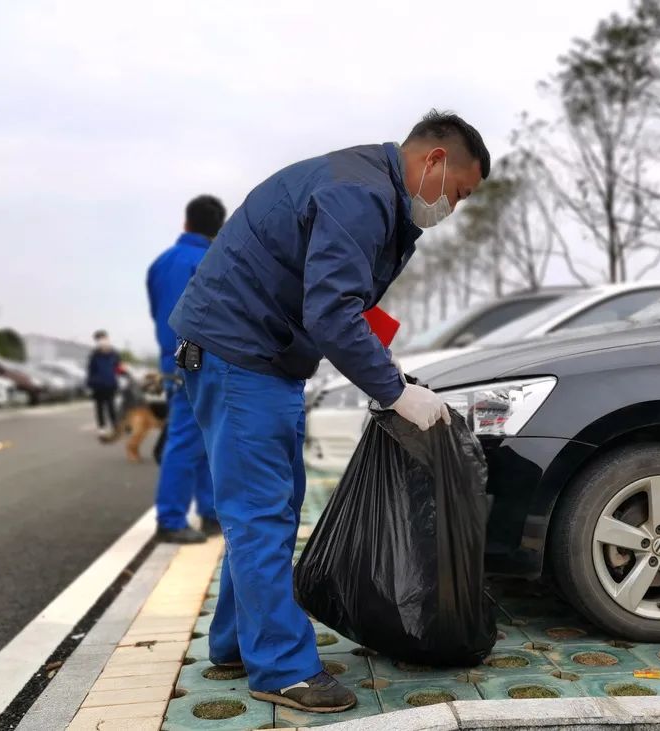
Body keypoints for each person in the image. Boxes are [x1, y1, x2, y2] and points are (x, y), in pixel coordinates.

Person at [169, 110, 489, 713]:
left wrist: (389, 364)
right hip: (241, 356)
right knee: (261, 513)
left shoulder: (373, 192)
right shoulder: (360, 193)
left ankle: (238, 640)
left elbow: (345, 301)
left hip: (261, 356)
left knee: (274, 506)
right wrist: (393, 391)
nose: (453, 209)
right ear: (436, 161)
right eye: (458, 193)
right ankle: (282, 669)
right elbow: (332, 310)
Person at [145, 195, 225, 543]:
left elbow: (163, 317)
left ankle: (208, 513)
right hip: (197, 363)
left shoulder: (162, 262)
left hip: (177, 360)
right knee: (191, 440)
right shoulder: (210, 261)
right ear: (219, 227)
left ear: (185, 222)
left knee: (200, 441)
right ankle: (172, 518)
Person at [86, 330, 121, 436]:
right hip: (98, 385)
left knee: (111, 406)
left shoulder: (114, 353)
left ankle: (115, 426)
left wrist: (120, 379)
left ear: (107, 338)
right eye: (98, 339)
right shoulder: (94, 354)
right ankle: (102, 427)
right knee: (99, 407)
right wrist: (89, 384)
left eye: (103, 338)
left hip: (110, 384)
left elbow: (118, 367)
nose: (101, 341)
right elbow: (90, 370)